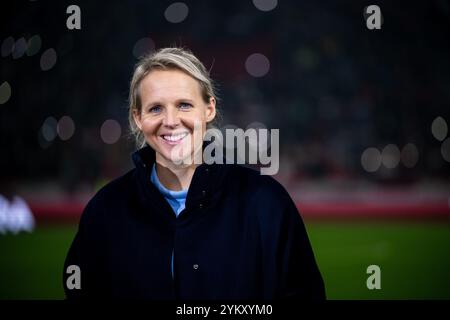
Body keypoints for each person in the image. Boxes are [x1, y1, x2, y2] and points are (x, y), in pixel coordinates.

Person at [63, 47, 325, 300]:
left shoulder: (266, 203)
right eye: (155, 108)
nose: (171, 120)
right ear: (137, 118)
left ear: (209, 109)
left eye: (184, 105)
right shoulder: (106, 209)